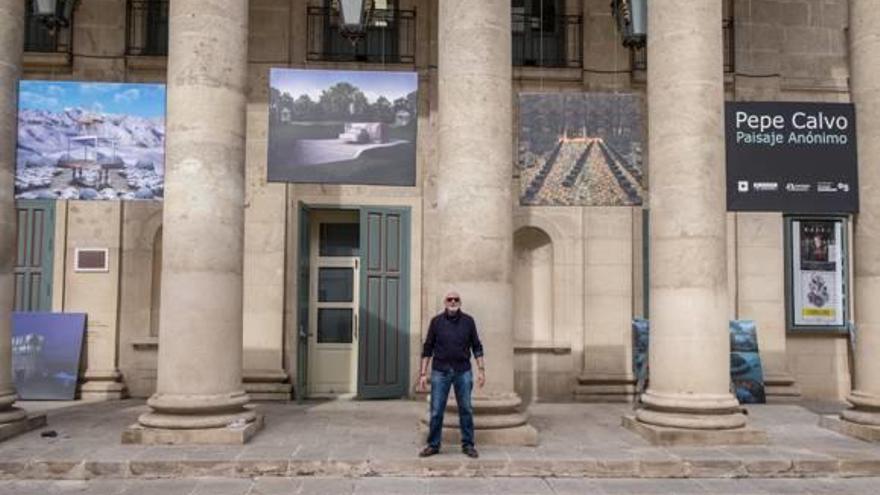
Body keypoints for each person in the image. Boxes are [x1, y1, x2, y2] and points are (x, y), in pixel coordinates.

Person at [416, 291, 486, 458]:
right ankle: (433, 445)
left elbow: (476, 346)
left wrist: (481, 370)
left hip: (463, 371)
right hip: (440, 371)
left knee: (466, 409)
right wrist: (423, 373)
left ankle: (468, 445)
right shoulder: (436, 322)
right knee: (436, 410)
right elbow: (428, 348)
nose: (453, 302)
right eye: (450, 299)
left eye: (456, 299)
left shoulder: (469, 321)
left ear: (460, 302)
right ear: (445, 302)